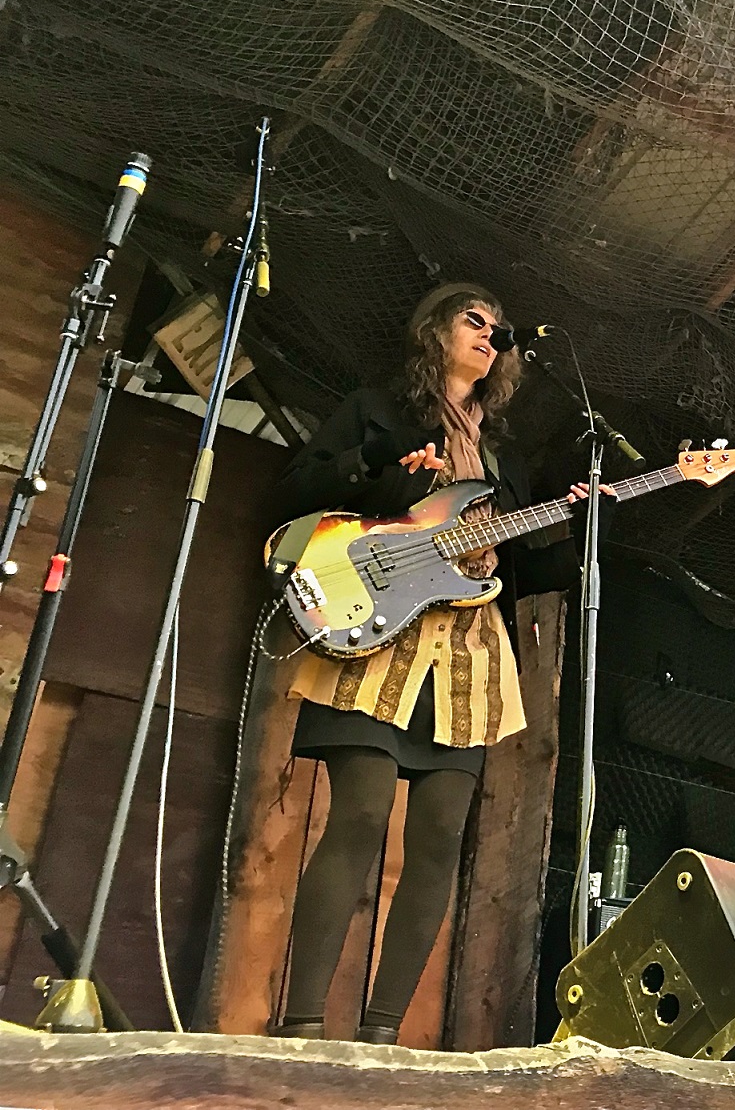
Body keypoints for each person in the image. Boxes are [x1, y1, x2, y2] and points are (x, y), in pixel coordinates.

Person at [265, 282, 576, 1045]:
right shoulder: (379, 409)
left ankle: (380, 1036)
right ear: (433, 328)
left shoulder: (502, 458)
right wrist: (386, 473)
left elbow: (522, 576)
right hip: (376, 628)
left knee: (439, 833)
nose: (490, 333)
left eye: (500, 328)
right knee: (363, 812)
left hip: (466, 649)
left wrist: (570, 525)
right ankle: (301, 1025)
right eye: (474, 319)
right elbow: (301, 488)